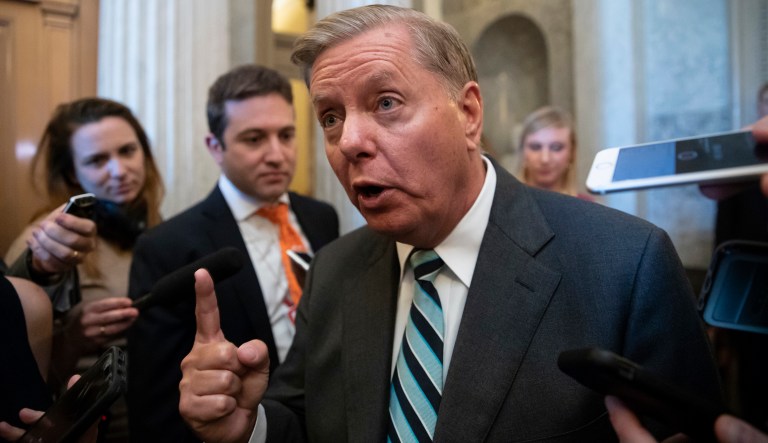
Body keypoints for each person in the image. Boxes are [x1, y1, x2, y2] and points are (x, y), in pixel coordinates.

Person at [177, 5, 721, 442]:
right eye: (331, 117)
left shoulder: (624, 264)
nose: (349, 142)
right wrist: (250, 427)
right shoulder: (335, 270)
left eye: (385, 102)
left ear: (468, 114)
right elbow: (306, 419)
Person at [126, 64, 339, 443]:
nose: (277, 154)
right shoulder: (167, 246)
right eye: (254, 139)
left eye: (286, 135)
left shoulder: (322, 217)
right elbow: (156, 404)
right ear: (215, 147)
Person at [3, 97, 164, 442]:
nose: (119, 171)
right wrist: (73, 339)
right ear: (73, 173)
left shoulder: (159, 228)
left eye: (127, 151)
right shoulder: (48, 241)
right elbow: (20, 371)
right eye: (97, 160)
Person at [518, 105, 593, 201]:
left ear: (572, 152)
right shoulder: (501, 203)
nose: (545, 159)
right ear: (522, 151)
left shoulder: (587, 207)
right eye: (535, 147)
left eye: (556, 148)